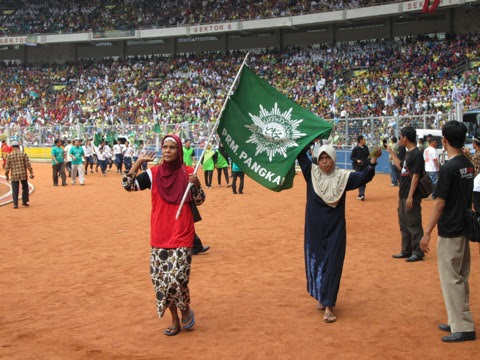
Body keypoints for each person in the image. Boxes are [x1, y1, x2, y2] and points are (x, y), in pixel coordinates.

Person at [122, 134, 205, 336]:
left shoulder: (188, 173)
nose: (167, 151)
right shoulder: (153, 174)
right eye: (165, 147)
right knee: (161, 281)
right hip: (159, 235)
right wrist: (139, 162)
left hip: (182, 234)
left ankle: (185, 309)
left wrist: (197, 184)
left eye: (172, 147)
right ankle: (175, 319)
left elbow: (200, 200)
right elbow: (128, 185)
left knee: (177, 278)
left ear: (179, 151)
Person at [298, 143, 380, 323]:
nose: (325, 162)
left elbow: (365, 176)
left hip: (336, 229)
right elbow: (300, 153)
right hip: (314, 229)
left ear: (334, 159)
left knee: (333, 264)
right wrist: (310, 138)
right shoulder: (310, 173)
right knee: (317, 261)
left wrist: (373, 160)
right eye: (321, 158)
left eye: (328, 158)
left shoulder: (343, 178)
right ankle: (321, 295)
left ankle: (329, 305)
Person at [420, 121, 476, 343]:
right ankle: (457, 319)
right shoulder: (468, 164)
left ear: (445, 140)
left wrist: (427, 233)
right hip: (463, 225)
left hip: (450, 228)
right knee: (460, 275)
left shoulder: (450, 167)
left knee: (451, 278)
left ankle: (463, 325)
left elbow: (439, 204)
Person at [388, 127, 425, 262]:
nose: (399, 140)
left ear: (406, 138)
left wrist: (410, 196)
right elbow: (400, 166)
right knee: (404, 223)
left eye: (401, 137)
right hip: (403, 194)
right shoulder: (407, 153)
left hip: (411, 195)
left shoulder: (416, 154)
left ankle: (418, 251)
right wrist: (391, 153)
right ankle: (406, 250)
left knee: (413, 223)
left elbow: (415, 176)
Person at [5, 141, 34, 209]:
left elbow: (7, 167)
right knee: (25, 187)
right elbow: (28, 165)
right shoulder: (23, 154)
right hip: (23, 174)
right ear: (18, 147)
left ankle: (15, 204)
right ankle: (24, 200)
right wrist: (31, 172)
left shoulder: (9, 155)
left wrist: (6, 175)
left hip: (14, 175)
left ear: (12, 147)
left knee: (15, 189)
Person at [350, 135, 369, 200]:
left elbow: (368, 156)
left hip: (365, 166)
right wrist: (357, 160)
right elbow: (351, 157)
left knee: (364, 180)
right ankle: (361, 194)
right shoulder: (355, 149)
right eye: (364, 139)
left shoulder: (366, 148)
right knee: (361, 179)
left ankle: (360, 194)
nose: (365, 140)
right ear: (360, 140)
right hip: (358, 166)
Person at [472, 137, 480, 216]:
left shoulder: (478, 154)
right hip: (476, 179)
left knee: (477, 205)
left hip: (477, 180)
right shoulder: (476, 153)